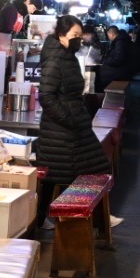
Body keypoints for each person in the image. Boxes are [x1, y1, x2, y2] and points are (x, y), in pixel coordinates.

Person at [35, 14, 112, 201]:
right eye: (75, 35)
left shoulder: (66, 56)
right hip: (61, 130)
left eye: (80, 35)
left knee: (88, 169)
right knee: (64, 174)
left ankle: (85, 216)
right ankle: (73, 218)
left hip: (72, 127)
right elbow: (46, 96)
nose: (79, 39)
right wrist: (68, 119)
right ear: (62, 35)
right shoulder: (55, 60)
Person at [93, 24, 133, 90]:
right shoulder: (121, 40)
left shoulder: (120, 42)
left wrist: (105, 60)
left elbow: (118, 59)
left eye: (108, 34)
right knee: (99, 75)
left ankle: (101, 97)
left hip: (120, 72)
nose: (108, 36)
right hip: (122, 70)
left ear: (111, 33)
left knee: (99, 78)